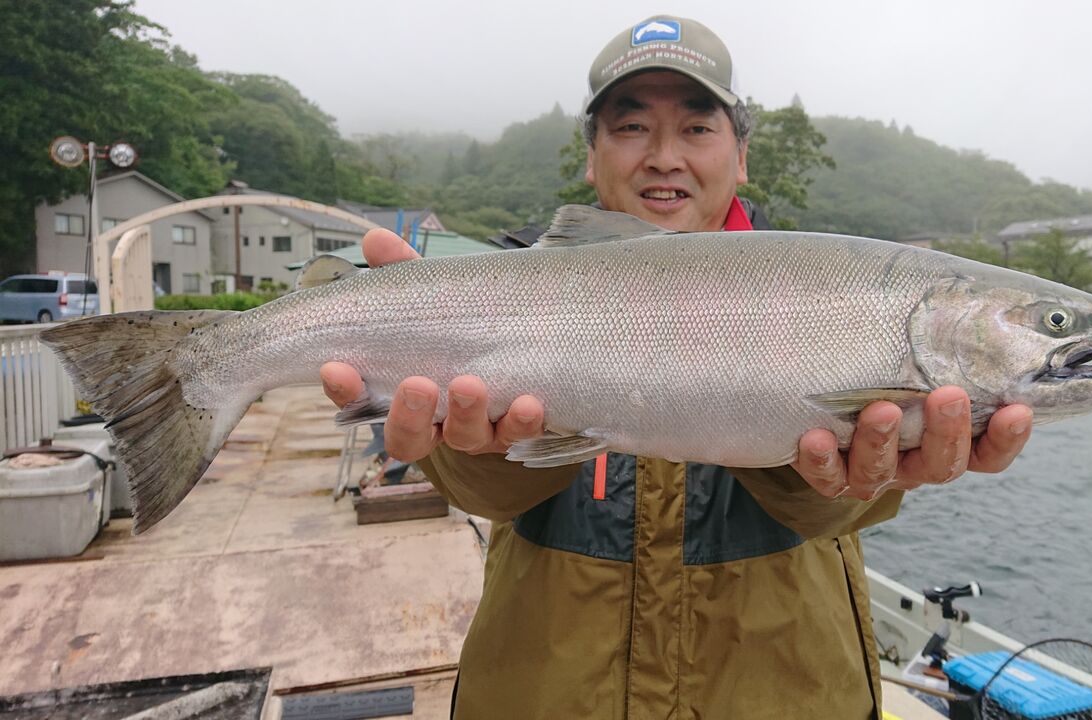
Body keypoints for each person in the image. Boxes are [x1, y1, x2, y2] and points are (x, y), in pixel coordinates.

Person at [321, 15, 1033, 719]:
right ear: (592, 156)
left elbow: (828, 511)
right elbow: (488, 495)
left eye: (696, 128)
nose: (664, 156)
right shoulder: (512, 282)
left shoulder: (836, 294)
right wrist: (487, 451)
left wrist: (848, 476)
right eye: (631, 128)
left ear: (741, 154)